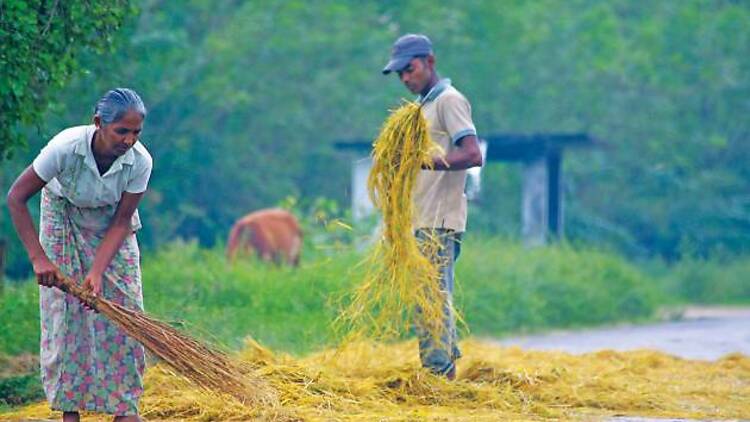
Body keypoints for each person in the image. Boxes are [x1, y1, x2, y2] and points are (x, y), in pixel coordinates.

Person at [6, 88, 153, 421]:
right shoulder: (65, 148)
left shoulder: (140, 161)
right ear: (98, 123)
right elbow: (16, 198)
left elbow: (121, 222)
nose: (129, 140)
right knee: (66, 313)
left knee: (127, 311)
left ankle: (124, 407)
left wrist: (98, 271)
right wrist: (38, 258)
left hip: (111, 222)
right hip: (63, 216)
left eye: (136, 132)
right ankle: (69, 410)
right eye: (121, 131)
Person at [382, 34, 483, 380]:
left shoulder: (449, 101)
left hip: (440, 221)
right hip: (422, 219)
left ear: (429, 61)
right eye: (401, 75)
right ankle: (440, 369)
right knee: (426, 297)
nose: (407, 78)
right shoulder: (423, 106)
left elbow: (472, 154)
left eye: (410, 69)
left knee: (432, 298)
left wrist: (423, 162)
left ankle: (438, 376)